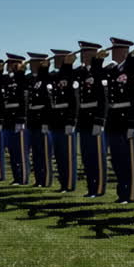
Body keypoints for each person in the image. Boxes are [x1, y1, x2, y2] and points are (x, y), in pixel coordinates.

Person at [103, 38, 134, 203]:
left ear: (125, 52)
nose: (112, 53)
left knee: (129, 160)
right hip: (113, 120)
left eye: (116, 50)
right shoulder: (112, 70)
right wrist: (97, 60)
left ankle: (131, 194)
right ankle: (122, 193)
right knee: (117, 160)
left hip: (127, 119)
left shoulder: (132, 69)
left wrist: (133, 123)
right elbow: (96, 75)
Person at [75, 41, 108, 198]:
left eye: (87, 53)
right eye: (82, 52)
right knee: (87, 156)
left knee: (97, 157)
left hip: (94, 118)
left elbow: (104, 98)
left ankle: (99, 188)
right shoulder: (80, 72)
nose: (83, 56)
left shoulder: (100, 72)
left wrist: (99, 120)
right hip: (83, 120)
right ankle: (91, 188)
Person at [49, 49, 80, 193]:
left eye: (57, 58)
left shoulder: (72, 76)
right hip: (56, 121)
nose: (54, 60)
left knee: (68, 156)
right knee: (59, 156)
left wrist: (71, 121)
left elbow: (75, 100)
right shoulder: (55, 76)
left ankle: (69, 184)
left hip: (66, 121)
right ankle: (63, 183)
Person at [1, 53, 31, 185]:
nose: (8, 66)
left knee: (21, 152)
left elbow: (24, 100)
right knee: (12, 151)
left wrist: (21, 119)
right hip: (8, 120)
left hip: (18, 120)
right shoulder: (8, 80)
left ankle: (23, 178)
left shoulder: (23, 79)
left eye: (12, 64)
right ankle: (16, 177)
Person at [25, 53, 54, 188]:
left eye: (34, 63)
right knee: (36, 153)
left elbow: (49, 103)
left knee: (44, 154)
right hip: (33, 122)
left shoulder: (47, 79)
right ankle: (38, 179)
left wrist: (46, 122)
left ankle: (46, 180)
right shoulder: (31, 79)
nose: (31, 65)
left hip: (43, 121)